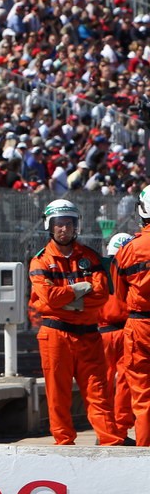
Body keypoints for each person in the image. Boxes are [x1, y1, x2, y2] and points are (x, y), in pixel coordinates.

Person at [28, 199, 123, 446]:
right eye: (59, 224)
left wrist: (67, 299)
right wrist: (81, 289)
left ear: (75, 226)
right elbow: (47, 298)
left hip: (89, 335)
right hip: (55, 336)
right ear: (50, 226)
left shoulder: (90, 257)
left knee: (98, 392)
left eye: (69, 224)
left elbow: (101, 295)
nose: (64, 229)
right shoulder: (40, 261)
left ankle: (110, 441)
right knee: (57, 394)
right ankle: (64, 442)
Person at [112, 186, 150, 446]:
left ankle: (145, 455)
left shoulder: (129, 249)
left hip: (139, 324)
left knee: (142, 394)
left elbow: (117, 294)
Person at [101, 232, 135, 441]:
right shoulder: (133, 269)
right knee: (125, 382)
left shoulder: (99, 271)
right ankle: (120, 431)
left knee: (101, 384)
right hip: (127, 330)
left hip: (101, 332)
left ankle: (104, 431)